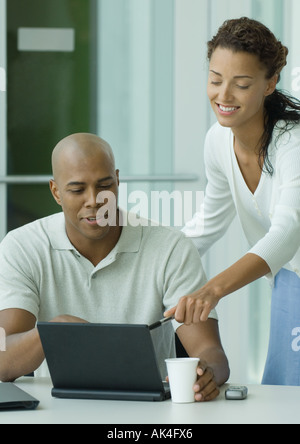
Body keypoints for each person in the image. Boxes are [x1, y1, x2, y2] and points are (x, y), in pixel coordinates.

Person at [0, 133, 229, 401]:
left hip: (148, 410)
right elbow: (4, 363)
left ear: (118, 181)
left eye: (105, 185)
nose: (94, 200)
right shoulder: (22, 246)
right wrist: (53, 331)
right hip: (58, 409)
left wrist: (206, 372)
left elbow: (211, 351)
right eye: (77, 189)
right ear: (56, 192)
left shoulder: (170, 246)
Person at [165, 17, 300, 386]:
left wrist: (213, 290)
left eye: (241, 84)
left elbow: (287, 235)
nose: (223, 96)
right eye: (215, 79)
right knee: (285, 395)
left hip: (293, 273)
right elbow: (208, 223)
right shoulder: (217, 141)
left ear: (269, 84)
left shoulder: (293, 144)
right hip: (291, 279)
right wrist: (154, 267)